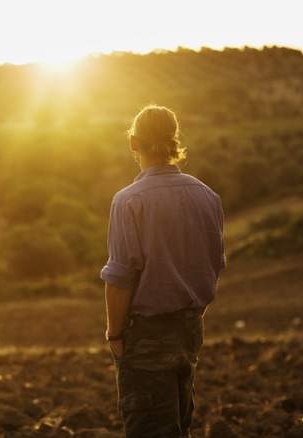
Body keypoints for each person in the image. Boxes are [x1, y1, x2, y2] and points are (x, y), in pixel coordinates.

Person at [101, 104, 226, 437]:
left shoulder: (127, 201)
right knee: (179, 427)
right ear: (174, 141)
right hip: (190, 330)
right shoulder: (207, 196)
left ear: (133, 143)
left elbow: (120, 280)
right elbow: (214, 265)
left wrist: (115, 336)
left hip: (146, 334)